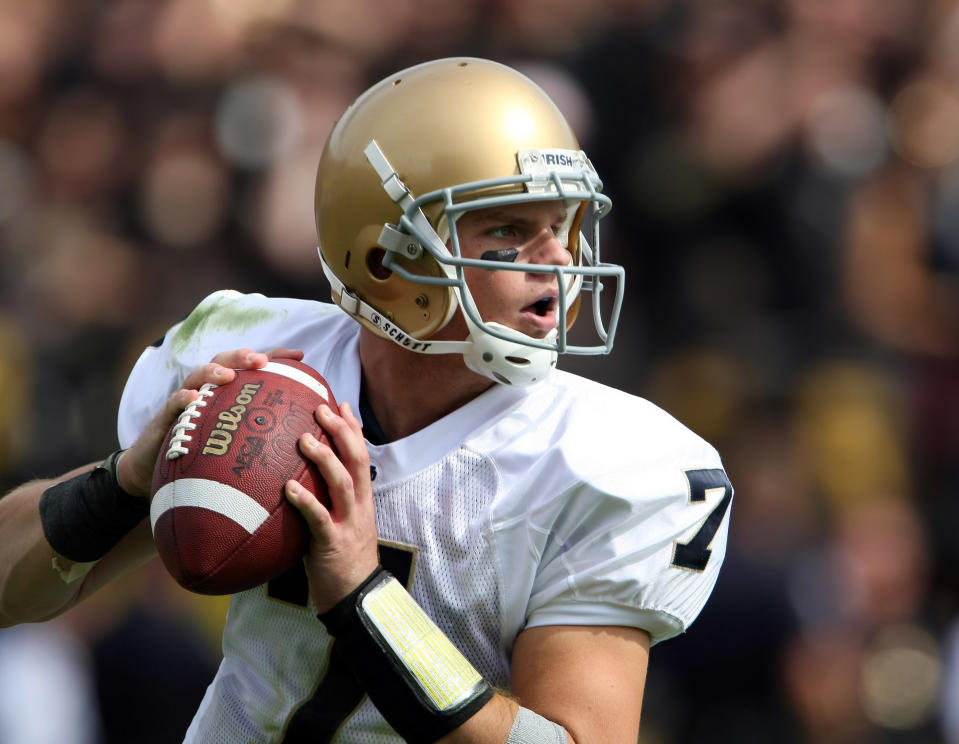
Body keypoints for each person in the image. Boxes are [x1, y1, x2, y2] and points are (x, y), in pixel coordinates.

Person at [0, 57, 733, 743]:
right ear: (386, 257)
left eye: (564, 225)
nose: (559, 260)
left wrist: (365, 601)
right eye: (509, 228)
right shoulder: (254, 356)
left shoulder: (607, 461)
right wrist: (124, 485)